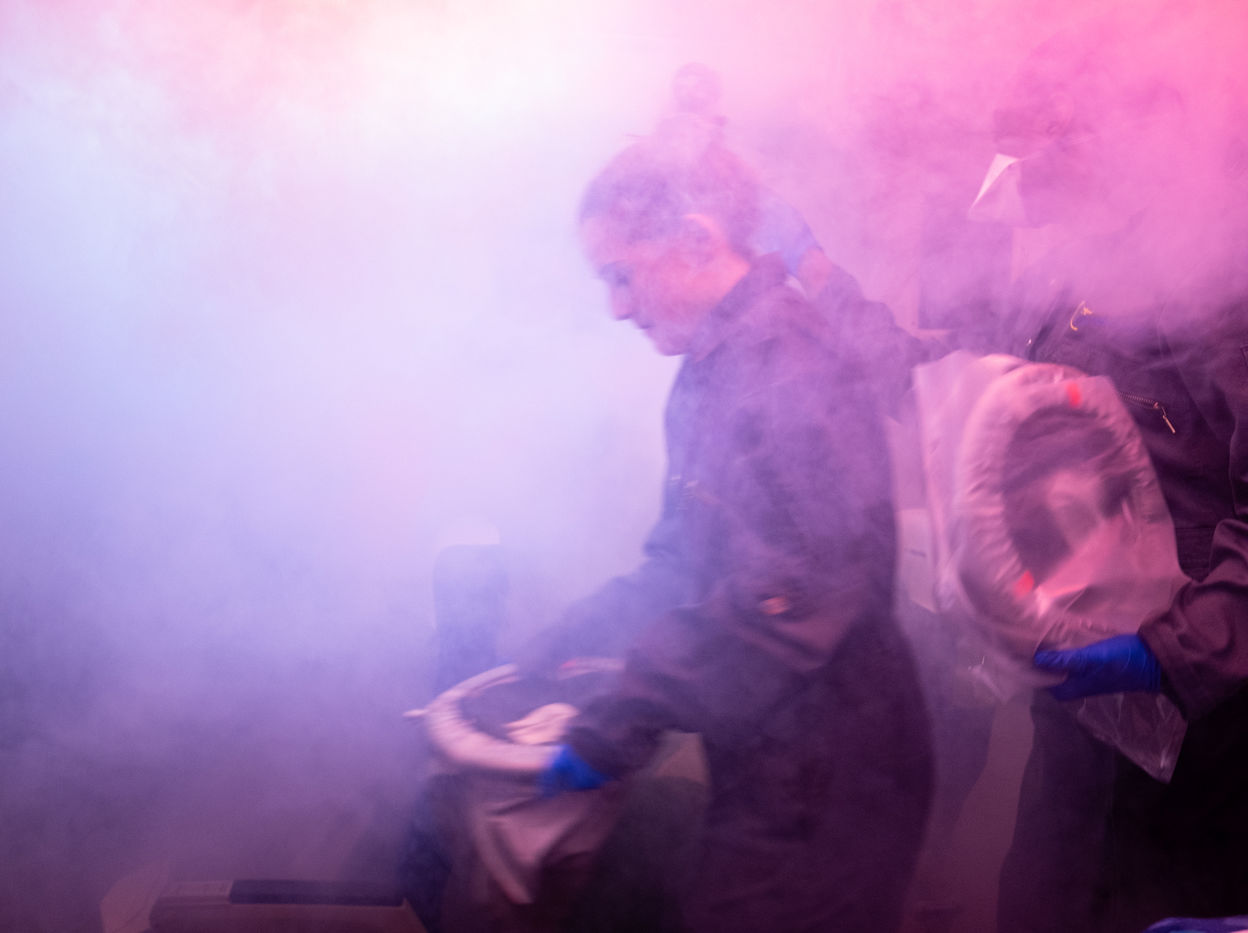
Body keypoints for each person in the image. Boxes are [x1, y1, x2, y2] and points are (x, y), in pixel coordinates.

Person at [527, 100, 935, 931]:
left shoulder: (791, 363)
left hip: (835, 771)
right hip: (772, 754)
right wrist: (570, 637)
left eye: (621, 274)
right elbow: (680, 560)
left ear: (697, 240)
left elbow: (792, 594)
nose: (616, 307)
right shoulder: (712, 365)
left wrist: (624, 714)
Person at [941, 25, 1248, 932]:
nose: (1028, 186)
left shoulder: (1218, 276)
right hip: (1085, 712)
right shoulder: (1075, 270)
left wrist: (1181, 648)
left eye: (1047, 154)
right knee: (1044, 897)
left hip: (1201, 724)